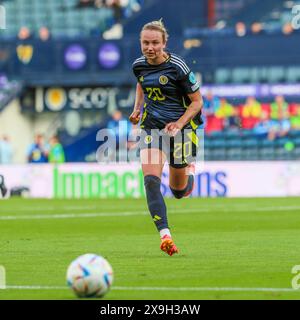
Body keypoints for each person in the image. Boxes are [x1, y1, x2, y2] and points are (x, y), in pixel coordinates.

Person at [129, 19, 203, 256]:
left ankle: (189, 168)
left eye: (155, 43)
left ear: (164, 43)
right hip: (152, 128)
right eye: (145, 43)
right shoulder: (138, 65)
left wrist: (179, 123)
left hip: (181, 130)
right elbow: (141, 84)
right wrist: (137, 108)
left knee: (178, 191)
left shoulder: (178, 67)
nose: (150, 48)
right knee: (151, 180)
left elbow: (197, 102)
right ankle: (165, 236)